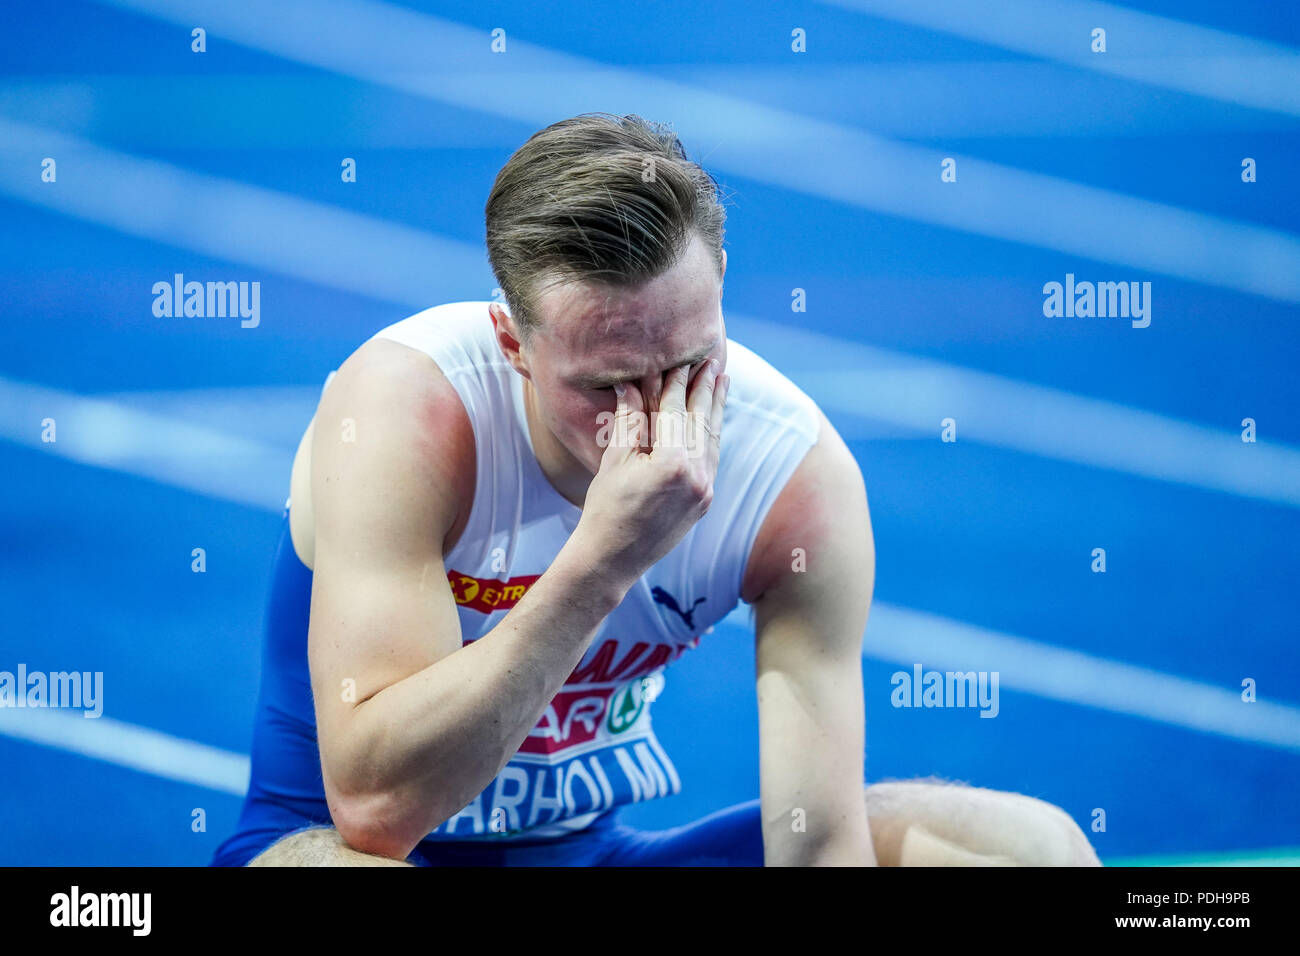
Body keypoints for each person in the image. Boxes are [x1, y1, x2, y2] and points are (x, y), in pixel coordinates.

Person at [210, 112, 1100, 867]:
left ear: (720, 293)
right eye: (605, 385)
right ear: (512, 344)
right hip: (330, 849)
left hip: (589, 852)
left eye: (691, 364)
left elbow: (817, 845)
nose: (656, 419)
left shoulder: (795, 476)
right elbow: (376, 809)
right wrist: (604, 559)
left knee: (1031, 851)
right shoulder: (408, 413)